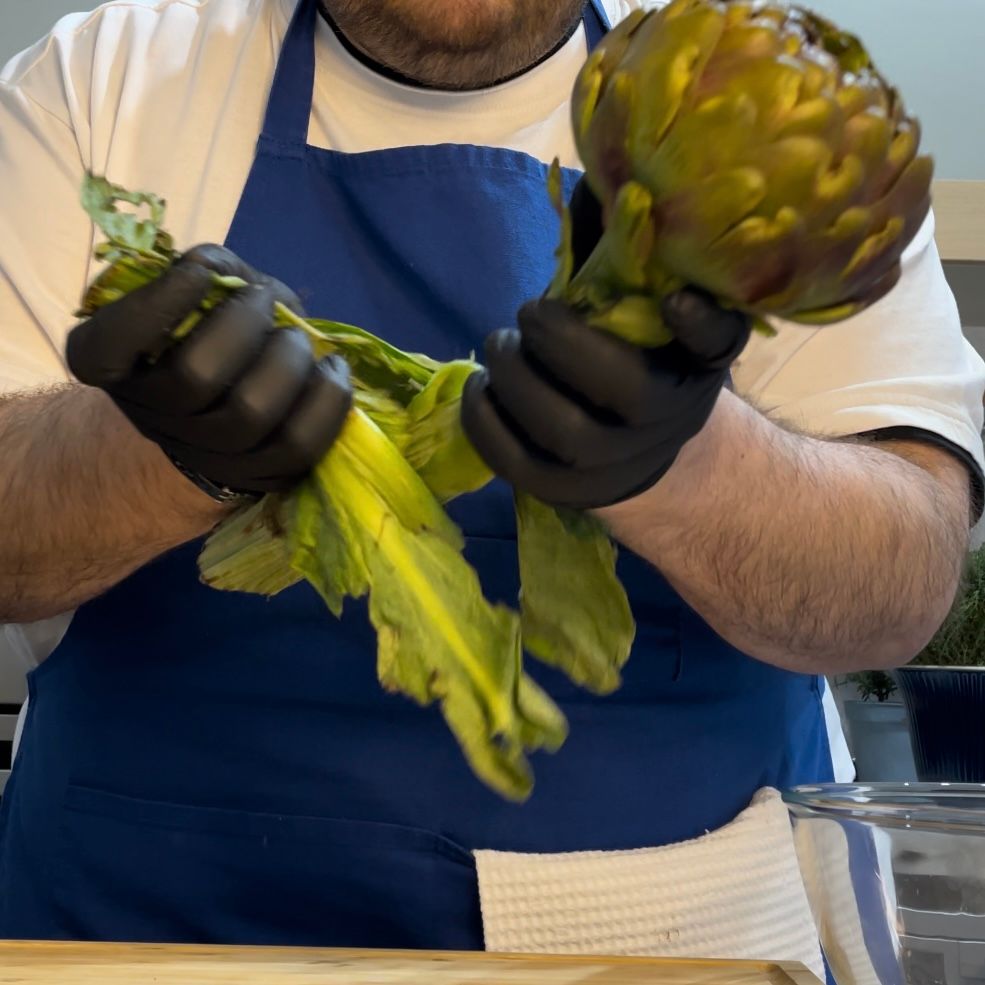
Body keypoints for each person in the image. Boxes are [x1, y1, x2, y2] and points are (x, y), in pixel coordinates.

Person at [0, 0, 981, 961]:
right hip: (141, 931)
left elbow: (902, 579)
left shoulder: (775, 114)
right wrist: (143, 446)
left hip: (664, 941)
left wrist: (688, 460)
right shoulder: (98, 82)